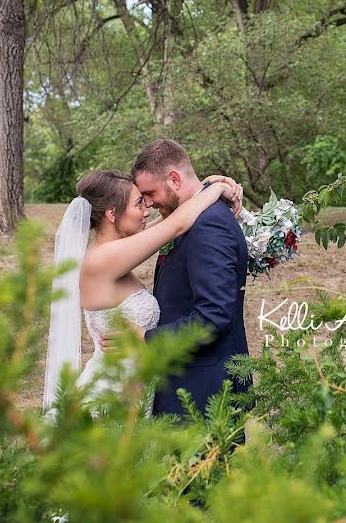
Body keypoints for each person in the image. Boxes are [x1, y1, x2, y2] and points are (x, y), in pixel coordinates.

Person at [42, 168, 242, 420]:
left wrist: (202, 186)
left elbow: (166, 223)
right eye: (139, 203)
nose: (148, 209)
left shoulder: (113, 248)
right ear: (112, 213)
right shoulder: (103, 259)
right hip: (110, 396)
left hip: (133, 393)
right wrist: (216, 190)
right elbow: (176, 225)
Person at [101, 139, 251, 419]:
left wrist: (144, 338)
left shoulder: (209, 225)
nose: (147, 204)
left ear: (173, 179)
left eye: (149, 193)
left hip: (204, 395)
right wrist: (212, 185)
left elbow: (213, 317)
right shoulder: (188, 217)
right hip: (186, 387)